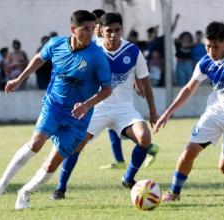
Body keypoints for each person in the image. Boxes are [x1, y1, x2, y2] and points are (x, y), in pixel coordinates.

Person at [0, 10, 112, 210]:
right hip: (54, 106)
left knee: (52, 164)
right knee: (35, 143)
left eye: (93, 29)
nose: (90, 33)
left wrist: (86, 105)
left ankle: (25, 192)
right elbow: (39, 58)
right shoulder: (56, 44)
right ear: (73, 29)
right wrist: (19, 79)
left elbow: (107, 90)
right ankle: (1, 184)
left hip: (78, 118)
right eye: (85, 29)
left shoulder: (97, 56)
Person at [153, 21, 224, 202]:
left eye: (215, 47)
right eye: (208, 46)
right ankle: (174, 193)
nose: (211, 52)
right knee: (189, 151)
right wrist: (168, 112)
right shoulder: (205, 61)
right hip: (215, 113)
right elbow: (189, 89)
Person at [50, 13, 158, 200]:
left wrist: (153, 111)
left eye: (117, 30)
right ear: (101, 30)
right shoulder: (93, 50)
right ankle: (60, 188)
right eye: (109, 31)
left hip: (124, 108)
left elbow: (145, 83)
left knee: (145, 137)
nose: (113, 35)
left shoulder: (133, 51)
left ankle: (128, 178)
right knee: (75, 145)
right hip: (96, 108)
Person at [90, 9, 159, 170]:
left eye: (97, 24)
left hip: (121, 105)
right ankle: (121, 160)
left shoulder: (128, 48)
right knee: (106, 130)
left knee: (117, 128)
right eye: (96, 25)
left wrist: (137, 82)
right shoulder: (93, 45)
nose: (96, 28)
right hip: (99, 105)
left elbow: (130, 66)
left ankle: (137, 155)